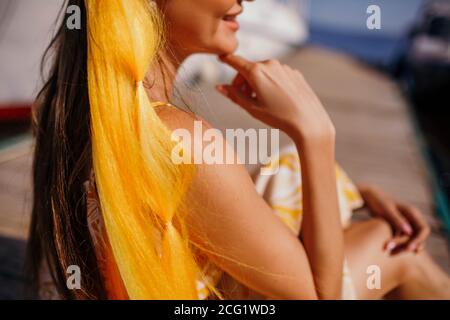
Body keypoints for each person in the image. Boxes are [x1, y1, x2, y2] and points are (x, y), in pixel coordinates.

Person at [27, 0, 450, 300]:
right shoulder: (180, 141)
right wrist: (315, 133)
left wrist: (359, 197)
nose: (245, 1)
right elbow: (322, 295)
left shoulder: (75, 111)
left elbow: (215, 214)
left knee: (307, 191)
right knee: (393, 245)